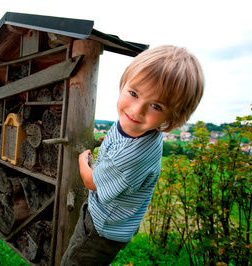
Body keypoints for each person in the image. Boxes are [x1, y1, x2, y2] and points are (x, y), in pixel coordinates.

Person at [61, 45, 204, 265]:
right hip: (119, 219)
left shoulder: (130, 157)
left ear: (172, 116)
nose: (137, 110)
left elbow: (91, 182)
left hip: (102, 229)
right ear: (123, 84)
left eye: (156, 106)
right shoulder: (141, 127)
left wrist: (82, 161)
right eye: (134, 93)